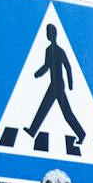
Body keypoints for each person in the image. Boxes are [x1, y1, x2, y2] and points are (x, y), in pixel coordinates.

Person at [26, 22, 87, 150]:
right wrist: (38, 73)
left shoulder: (57, 51)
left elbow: (66, 66)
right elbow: (49, 66)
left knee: (61, 112)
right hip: (55, 84)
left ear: (53, 34)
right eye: (47, 33)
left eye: (48, 32)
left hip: (58, 85)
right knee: (49, 109)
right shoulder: (51, 50)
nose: (47, 35)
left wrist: (70, 83)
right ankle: (32, 130)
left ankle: (81, 134)